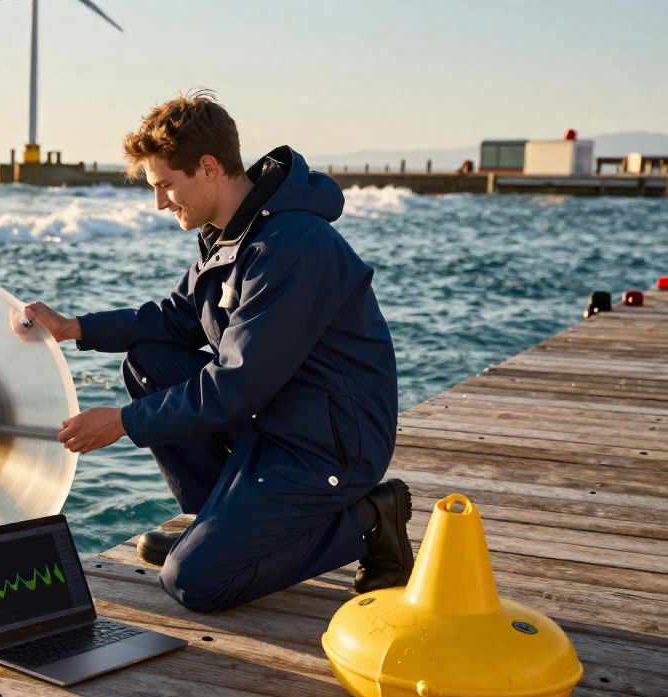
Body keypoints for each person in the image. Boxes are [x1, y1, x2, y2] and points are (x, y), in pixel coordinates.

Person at [22, 90, 411, 612]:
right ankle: (219, 527)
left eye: (164, 185)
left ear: (207, 167)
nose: (159, 203)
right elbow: (174, 317)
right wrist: (73, 328)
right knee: (149, 361)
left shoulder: (292, 246)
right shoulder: (229, 234)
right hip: (275, 419)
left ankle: (368, 518)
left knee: (195, 583)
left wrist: (122, 422)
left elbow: (236, 384)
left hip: (328, 445)